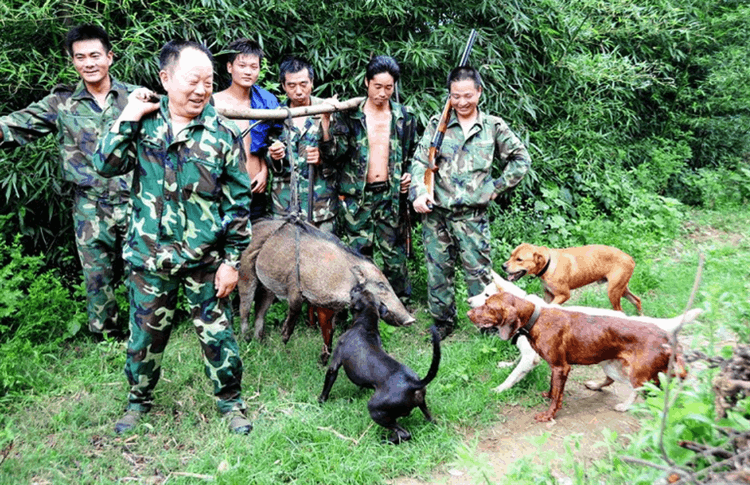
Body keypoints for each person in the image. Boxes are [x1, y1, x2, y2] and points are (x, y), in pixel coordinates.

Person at [94, 40, 253, 435]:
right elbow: (105, 164)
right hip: (149, 258)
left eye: (208, 81)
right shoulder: (143, 121)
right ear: (165, 78)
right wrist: (129, 113)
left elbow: (238, 203)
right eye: (191, 80)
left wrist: (231, 262)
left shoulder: (222, 133)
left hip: (205, 261)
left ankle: (231, 404)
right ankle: (137, 403)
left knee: (218, 336)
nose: (201, 90)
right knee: (144, 336)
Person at [0, 24, 137, 340]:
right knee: (96, 274)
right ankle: (106, 338)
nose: (88, 63)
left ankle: (143, 334)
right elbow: (15, 125)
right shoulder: (60, 103)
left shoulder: (135, 98)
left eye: (95, 55)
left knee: (139, 271)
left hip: (133, 198)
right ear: (72, 61)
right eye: (80, 57)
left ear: (110, 57)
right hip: (88, 203)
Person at [410, 66, 532, 340]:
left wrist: (496, 187)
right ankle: (443, 322)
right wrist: (419, 191)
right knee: (438, 271)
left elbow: (521, 159)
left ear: (479, 92)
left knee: (478, 274)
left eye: (467, 95)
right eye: (455, 96)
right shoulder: (436, 125)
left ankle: (489, 324)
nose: (462, 102)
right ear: (449, 96)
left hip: (472, 216)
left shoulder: (492, 127)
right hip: (436, 214)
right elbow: (419, 162)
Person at [323, 55, 417, 300]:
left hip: (390, 194)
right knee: (357, 252)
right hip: (357, 196)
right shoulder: (350, 115)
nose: (382, 93)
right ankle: (359, 302)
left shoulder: (404, 117)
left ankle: (399, 303)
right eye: (378, 87)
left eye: (388, 88)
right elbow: (334, 155)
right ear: (366, 82)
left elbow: (415, 154)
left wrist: (409, 175)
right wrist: (326, 123)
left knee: (393, 252)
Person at [266, 56, 337, 232]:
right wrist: (275, 157)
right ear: (283, 86)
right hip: (285, 206)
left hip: (320, 207)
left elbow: (342, 155)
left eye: (303, 84)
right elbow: (266, 158)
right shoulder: (275, 116)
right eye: (291, 85)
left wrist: (322, 157)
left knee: (323, 257)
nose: (298, 91)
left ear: (312, 82)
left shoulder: (328, 109)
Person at [213, 38, 281, 221]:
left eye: (254, 66)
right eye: (242, 65)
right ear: (229, 67)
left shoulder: (266, 102)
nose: (248, 71)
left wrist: (265, 171)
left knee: (255, 245)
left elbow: (271, 142)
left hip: (255, 188)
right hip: (222, 190)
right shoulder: (214, 103)